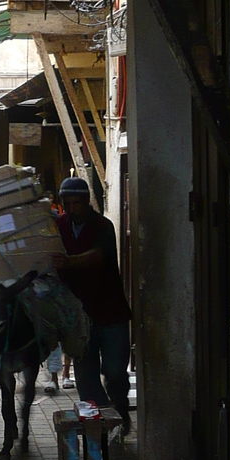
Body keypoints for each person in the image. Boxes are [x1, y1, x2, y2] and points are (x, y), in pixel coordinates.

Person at [55, 175, 132, 432]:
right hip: (79, 319)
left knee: (115, 372)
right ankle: (101, 426)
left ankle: (120, 409)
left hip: (111, 314)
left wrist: (68, 261)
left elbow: (98, 256)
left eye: (77, 203)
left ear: (87, 202)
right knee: (86, 379)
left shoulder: (103, 226)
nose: (72, 209)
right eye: (68, 203)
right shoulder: (59, 227)